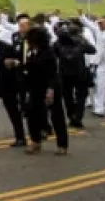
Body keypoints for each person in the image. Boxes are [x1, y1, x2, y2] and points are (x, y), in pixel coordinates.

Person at [22, 25, 68, 154]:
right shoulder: (31, 51)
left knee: (56, 115)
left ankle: (62, 145)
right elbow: (30, 68)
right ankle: (35, 141)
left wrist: (50, 89)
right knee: (32, 113)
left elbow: (53, 73)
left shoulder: (49, 53)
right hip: (35, 87)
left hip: (50, 87)